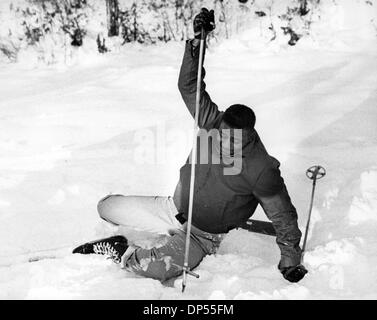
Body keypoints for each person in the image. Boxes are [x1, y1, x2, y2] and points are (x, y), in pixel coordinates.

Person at [73, 8, 308, 284]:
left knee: (157, 269)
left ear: (247, 136)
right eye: (222, 134)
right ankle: (150, 223)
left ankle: (121, 250)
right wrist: (199, 42)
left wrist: (290, 260)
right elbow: (189, 86)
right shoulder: (212, 122)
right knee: (106, 208)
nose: (223, 141)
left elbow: (283, 216)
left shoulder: (260, 167)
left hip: (202, 234)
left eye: (232, 139)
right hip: (174, 210)